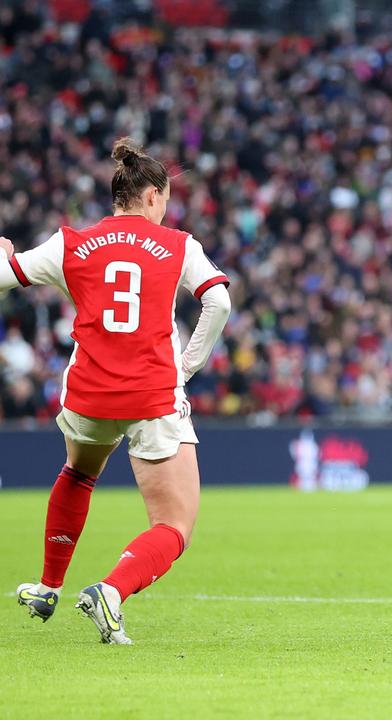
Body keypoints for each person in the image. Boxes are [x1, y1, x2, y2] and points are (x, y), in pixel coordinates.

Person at [10, 139, 232, 643]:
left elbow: (7, 275)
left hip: (88, 394)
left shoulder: (69, 243)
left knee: (78, 472)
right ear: (152, 196)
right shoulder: (178, 245)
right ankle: (110, 591)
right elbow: (217, 303)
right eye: (167, 198)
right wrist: (187, 366)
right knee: (175, 524)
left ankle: (47, 586)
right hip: (152, 395)